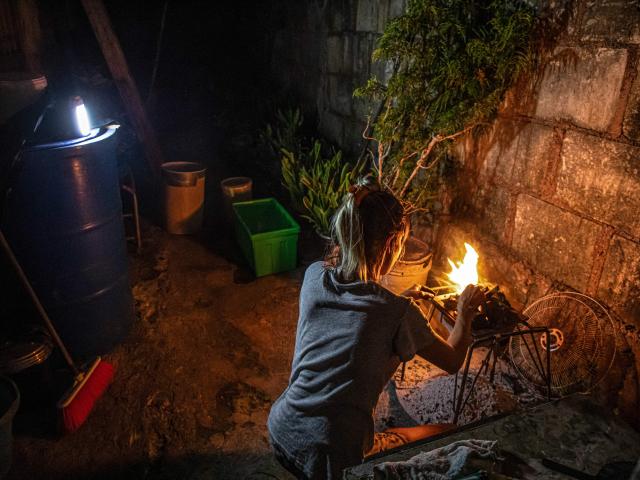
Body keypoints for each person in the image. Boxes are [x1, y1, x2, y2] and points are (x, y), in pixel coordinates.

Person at [267, 176, 485, 479]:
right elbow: (452, 360)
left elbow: (359, 312)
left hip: (282, 429)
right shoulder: (396, 314)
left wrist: (401, 301)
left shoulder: (314, 276)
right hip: (330, 458)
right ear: (391, 243)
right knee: (448, 431)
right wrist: (465, 313)